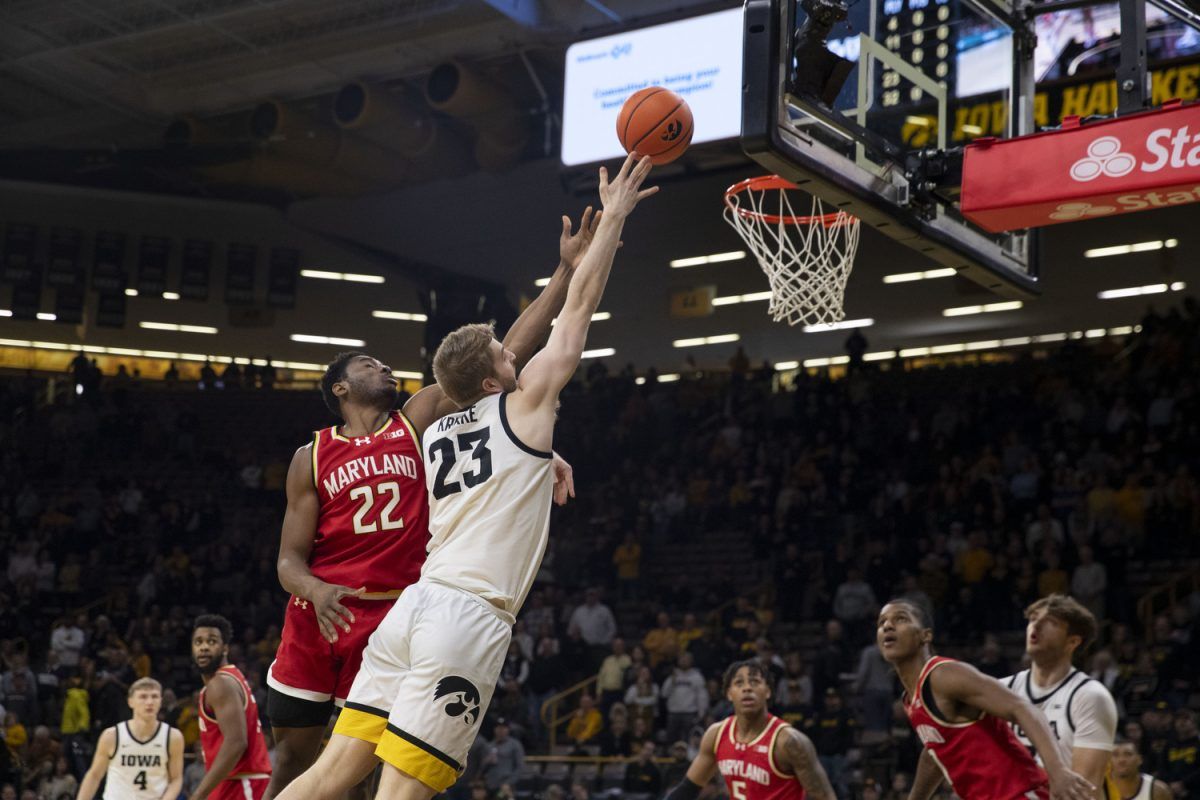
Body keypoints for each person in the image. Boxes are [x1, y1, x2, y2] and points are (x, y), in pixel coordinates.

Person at [275, 154, 655, 800]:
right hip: (465, 617)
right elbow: (574, 317)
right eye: (508, 355)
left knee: (329, 777)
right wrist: (612, 219)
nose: (517, 353)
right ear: (489, 379)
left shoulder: (432, 431)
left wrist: (543, 462)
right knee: (400, 792)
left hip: (410, 610)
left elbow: (501, 418)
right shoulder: (522, 409)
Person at [876, 599, 1093, 800]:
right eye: (882, 622)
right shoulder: (910, 699)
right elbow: (935, 750)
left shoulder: (944, 675)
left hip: (1020, 794)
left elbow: (1023, 708)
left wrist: (1057, 772)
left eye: (901, 619)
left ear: (926, 636)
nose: (887, 626)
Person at [662, 660, 836, 800]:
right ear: (729, 693)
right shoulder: (716, 735)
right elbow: (687, 789)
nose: (747, 688)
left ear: (767, 691)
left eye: (755, 682)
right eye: (739, 683)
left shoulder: (789, 742)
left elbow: (824, 796)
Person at [1004, 595, 1117, 798]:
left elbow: (1084, 790)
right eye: (1033, 619)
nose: (1036, 625)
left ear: (1072, 641)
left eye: (1051, 622)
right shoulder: (1002, 689)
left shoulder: (1090, 696)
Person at [191, 615, 272, 800]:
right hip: (232, 782)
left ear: (225, 647)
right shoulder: (228, 678)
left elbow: (236, 742)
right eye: (198, 642)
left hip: (241, 783)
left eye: (212, 641)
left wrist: (198, 794)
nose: (204, 647)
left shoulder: (220, 683)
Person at [75, 677, 184, 800]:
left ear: (160, 701)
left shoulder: (173, 737)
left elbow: (176, 778)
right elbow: (94, 775)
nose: (149, 702)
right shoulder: (112, 736)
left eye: (154, 697)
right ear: (130, 702)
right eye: (143, 697)